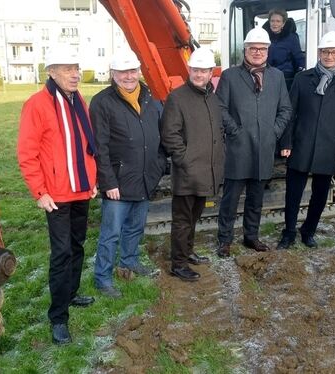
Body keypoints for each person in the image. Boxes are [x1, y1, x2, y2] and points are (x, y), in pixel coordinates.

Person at [17, 46, 98, 345]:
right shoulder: (37, 104)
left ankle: (72, 293)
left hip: (81, 190)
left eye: (76, 67)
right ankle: (58, 317)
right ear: (51, 72)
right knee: (61, 253)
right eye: (67, 68)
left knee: (78, 245)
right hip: (56, 195)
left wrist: (92, 180)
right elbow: (27, 153)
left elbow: (88, 144)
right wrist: (39, 191)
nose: (75, 74)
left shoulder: (80, 102)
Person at [90, 49, 166, 298]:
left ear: (138, 72)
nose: (129, 76)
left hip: (144, 178)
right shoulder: (103, 102)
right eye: (123, 72)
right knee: (111, 233)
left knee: (135, 227)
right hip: (118, 183)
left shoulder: (150, 98)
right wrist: (108, 182)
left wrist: (157, 168)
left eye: (132, 71)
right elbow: (99, 147)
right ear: (113, 74)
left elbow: (159, 136)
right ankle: (102, 277)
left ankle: (130, 261)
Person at [278, 32, 335, 249]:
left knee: (320, 194)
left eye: (334, 52)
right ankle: (288, 232)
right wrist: (287, 143)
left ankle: (309, 230)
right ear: (319, 53)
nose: (329, 56)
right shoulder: (303, 79)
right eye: (325, 51)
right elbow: (289, 113)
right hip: (301, 144)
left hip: (328, 147)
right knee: (293, 193)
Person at [215, 27, 292, 258]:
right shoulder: (230, 76)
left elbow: (285, 109)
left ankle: (251, 236)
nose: (257, 52)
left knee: (256, 199)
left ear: (268, 51)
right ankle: (225, 240)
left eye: (262, 48)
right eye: (253, 48)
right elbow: (220, 108)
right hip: (239, 148)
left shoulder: (277, 77)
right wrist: (235, 131)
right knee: (230, 199)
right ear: (245, 50)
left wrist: (274, 132)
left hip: (264, 149)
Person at [161, 48, 224, 281]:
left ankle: (187, 252)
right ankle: (178, 264)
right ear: (189, 70)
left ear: (210, 73)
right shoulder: (177, 98)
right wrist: (184, 159)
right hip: (188, 172)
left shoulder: (212, 97)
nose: (199, 74)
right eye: (195, 70)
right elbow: (170, 135)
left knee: (194, 217)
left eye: (204, 70)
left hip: (206, 171)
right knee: (182, 220)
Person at [262, 8, 305, 91]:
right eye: (272, 21)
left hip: (286, 77)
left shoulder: (291, 37)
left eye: (278, 21)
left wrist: (300, 73)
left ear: (283, 23)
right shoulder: (263, 36)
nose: (275, 24)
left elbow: (299, 57)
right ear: (269, 22)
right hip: (266, 75)